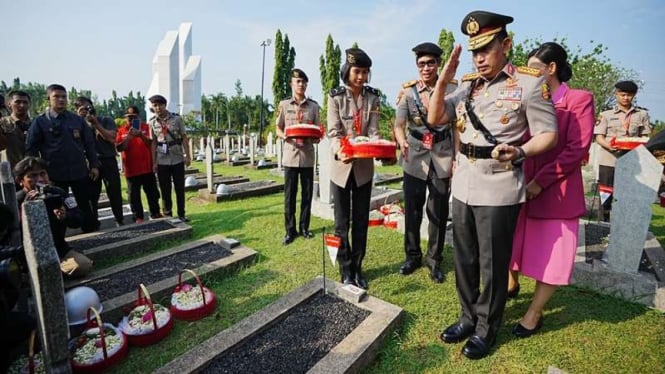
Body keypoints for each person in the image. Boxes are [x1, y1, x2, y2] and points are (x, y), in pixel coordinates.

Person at [427, 11, 558, 359]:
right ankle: (468, 317)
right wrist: (443, 82)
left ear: (506, 44)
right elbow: (435, 117)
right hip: (465, 181)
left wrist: (520, 150)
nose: (479, 57)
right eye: (474, 51)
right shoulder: (467, 84)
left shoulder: (530, 84)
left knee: (493, 263)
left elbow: (548, 133)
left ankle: (487, 328)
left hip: (500, 183)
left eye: (486, 48)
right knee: (464, 257)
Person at [507, 42, 595, 338]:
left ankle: (534, 313)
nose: (529, 75)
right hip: (521, 185)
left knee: (553, 256)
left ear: (552, 68)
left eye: (535, 69)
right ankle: (511, 282)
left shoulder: (579, 100)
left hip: (556, 190)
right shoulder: (528, 97)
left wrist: (540, 181)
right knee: (511, 244)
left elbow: (576, 149)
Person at [394, 42, 457, 283]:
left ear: (438, 64)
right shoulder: (409, 92)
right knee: (412, 209)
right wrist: (402, 141)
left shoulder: (452, 88)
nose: (426, 68)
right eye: (421, 64)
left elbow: (456, 126)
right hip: (415, 157)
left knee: (438, 212)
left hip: (441, 155)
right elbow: (399, 124)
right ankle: (412, 256)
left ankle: (434, 259)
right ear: (416, 66)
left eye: (431, 63)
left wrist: (456, 157)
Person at [327, 48, 381, 290]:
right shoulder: (336, 97)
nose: (361, 77)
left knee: (361, 221)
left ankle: (358, 268)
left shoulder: (373, 98)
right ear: (347, 72)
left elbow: (375, 131)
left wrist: (377, 148)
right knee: (341, 222)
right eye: (357, 71)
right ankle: (345, 269)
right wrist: (341, 150)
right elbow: (334, 132)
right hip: (342, 167)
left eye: (365, 72)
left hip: (363, 170)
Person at [26, 84, 100, 233]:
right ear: (48, 99)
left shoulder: (77, 120)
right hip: (54, 172)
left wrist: (94, 165)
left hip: (78, 170)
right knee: (56, 204)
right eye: (56, 97)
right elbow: (31, 148)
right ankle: (60, 236)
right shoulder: (40, 122)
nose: (61, 100)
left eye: (64, 97)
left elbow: (89, 144)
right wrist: (36, 174)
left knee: (85, 202)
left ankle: (91, 231)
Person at [14, 156, 93, 278]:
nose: (39, 179)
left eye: (42, 174)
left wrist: (66, 216)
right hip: (27, 254)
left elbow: (78, 219)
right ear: (20, 180)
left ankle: (49, 272)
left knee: (83, 265)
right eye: (33, 176)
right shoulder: (16, 201)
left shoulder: (57, 193)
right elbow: (12, 232)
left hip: (58, 249)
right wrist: (26, 209)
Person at [275, 68, 321, 245]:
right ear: (292, 84)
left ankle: (304, 227)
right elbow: (278, 127)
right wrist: (284, 135)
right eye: (298, 81)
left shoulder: (314, 107)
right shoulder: (285, 105)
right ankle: (290, 230)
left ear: (306, 84)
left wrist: (315, 137)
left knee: (307, 195)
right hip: (290, 156)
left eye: (303, 82)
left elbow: (318, 131)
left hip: (307, 156)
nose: (301, 84)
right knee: (290, 196)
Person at [594, 80, 651, 221]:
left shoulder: (641, 114)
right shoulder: (606, 114)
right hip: (609, 159)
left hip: (632, 161)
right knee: (606, 195)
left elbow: (645, 136)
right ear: (616, 94)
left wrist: (641, 143)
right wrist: (608, 145)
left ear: (634, 95)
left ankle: (623, 225)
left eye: (629, 95)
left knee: (627, 195)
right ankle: (603, 224)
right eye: (622, 94)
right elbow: (599, 138)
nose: (626, 98)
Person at [74, 96, 124, 227]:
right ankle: (93, 221)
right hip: (90, 162)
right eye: (81, 108)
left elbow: (112, 138)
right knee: (91, 194)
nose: (86, 109)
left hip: (108, 159)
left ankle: (119, 219)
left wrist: (96, 123)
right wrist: (80, 119)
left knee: (114, 191)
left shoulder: (105, 120)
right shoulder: (76, 123)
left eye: (87, 106)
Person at [148, 94, 191, 222]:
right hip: (162, 160)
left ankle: (181, 214)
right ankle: (168, 215)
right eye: (154, 105)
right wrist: (154, 161)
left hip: (177, 158)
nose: (157, 108)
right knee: (165, 189)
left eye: (159, 105)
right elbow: (153, 143)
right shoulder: (152, 122)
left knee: (179, 188)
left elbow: (184, 137)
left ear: (164, 105)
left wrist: (187, 156)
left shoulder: (176, 119)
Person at [116, 106, 162, 223]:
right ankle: (138, 217)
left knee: (152, 193)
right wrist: (129, 138)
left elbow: (151, 144)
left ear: (138, 117)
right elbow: (119, 148)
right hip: (131, 170)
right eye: (129, 117)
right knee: (134, 196)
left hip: (147, 167)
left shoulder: (146, 128)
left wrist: (141, 135)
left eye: (133, 117)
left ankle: (155, 213)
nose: (131, 120)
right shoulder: (121, 131)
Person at [0, 90, 32, 170]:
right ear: (9, 104)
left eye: (25, 102)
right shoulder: (2, 123)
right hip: (9, 170)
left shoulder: (36, 124)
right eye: (17, 102)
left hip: (31, 171)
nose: (22, 105)